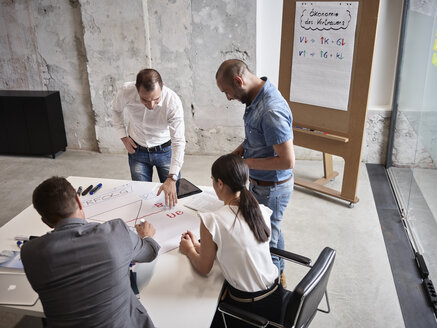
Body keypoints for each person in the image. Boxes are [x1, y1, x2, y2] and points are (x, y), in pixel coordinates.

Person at [21, 177, 160, 328]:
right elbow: (150, 252)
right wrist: (146, 236)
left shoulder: (29, 252)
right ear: (79, 200)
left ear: (45, 222)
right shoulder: (116, 232)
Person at [179, 154, 284, 327]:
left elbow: (205, 268)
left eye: (212, 180)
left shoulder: (212, 220)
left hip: (249, 310)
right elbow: (236, 248)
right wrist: (199, 246)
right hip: (275, 298)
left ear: (220, 183)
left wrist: (189, 250)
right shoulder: (260, 210)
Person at [215, 59, 295, 285]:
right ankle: (280, 271)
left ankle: (272, 284)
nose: (228, 98)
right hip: (263, 185)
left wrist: (246, 164)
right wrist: (241, 150)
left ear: (239, 81)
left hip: (273, 189)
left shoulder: (270, 110)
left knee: (265, 239)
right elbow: (257, 135)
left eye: (227, 92)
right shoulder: (254, 98)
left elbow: (287, 161)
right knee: (272, 229)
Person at [112, 68, 186, 208]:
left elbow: (179, 141)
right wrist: (123, 137)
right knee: (142, 198)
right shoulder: (126, 91)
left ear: (162, 86)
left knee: (173, 197)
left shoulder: (173, 102)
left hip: (165, 151)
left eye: (156, 99)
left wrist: (172, 177)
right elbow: (116, 110)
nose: (151, 105)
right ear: (136, 89)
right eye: (144, 100)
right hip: (137, 151)